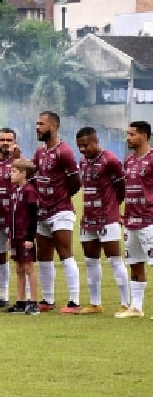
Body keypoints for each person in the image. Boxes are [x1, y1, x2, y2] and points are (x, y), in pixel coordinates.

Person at [75, 127, 130, 314]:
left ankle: (126, 303)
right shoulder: (82, 162)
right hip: (88, 219)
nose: (82, 150)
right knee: (91, 261)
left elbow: (121, 187)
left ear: (95, 142)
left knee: (114, 260)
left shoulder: (110, 160)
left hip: (107, 217)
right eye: (79, 146)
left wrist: (114, 207)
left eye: (86, 145)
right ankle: (95, 303)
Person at [33, 111, 82, 313]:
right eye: (37, 123)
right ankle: (47, 299)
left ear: (53, 126)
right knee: (43, 256)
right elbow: (33, 177)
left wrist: (61, 198)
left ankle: (74, 301)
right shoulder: (39, 152)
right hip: (42, 211)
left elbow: (75, 183)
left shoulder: (65, 152)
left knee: (65, 254)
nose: (37, 127)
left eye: (41, 124)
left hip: (61, 211)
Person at [114, 121, 153, 319]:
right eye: (127, 134)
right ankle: (136, 307)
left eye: (132, 135)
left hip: (150, 220)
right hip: (131, 220)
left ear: (144, 136)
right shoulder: (128, 161)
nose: (128, 138)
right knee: (136, 263)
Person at [5, 159, 40, 315]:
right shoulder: (14, 191)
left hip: (25, 236)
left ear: (23, 173)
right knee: (18, 268)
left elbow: (33, 217)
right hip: (15, 236)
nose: (11, 174)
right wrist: (10, 236)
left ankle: (33, 302)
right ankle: (20, 301)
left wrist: (30, 238)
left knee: (28, 268)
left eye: (14, 172)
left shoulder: (29, 191)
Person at [0, 128, 18, 307]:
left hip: (15, 217)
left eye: (9, 140)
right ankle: (3, 295)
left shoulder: (20, 163)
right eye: (2, 139)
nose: (6, 143)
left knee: (22, 258)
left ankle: (27, 297)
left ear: (14, 142)